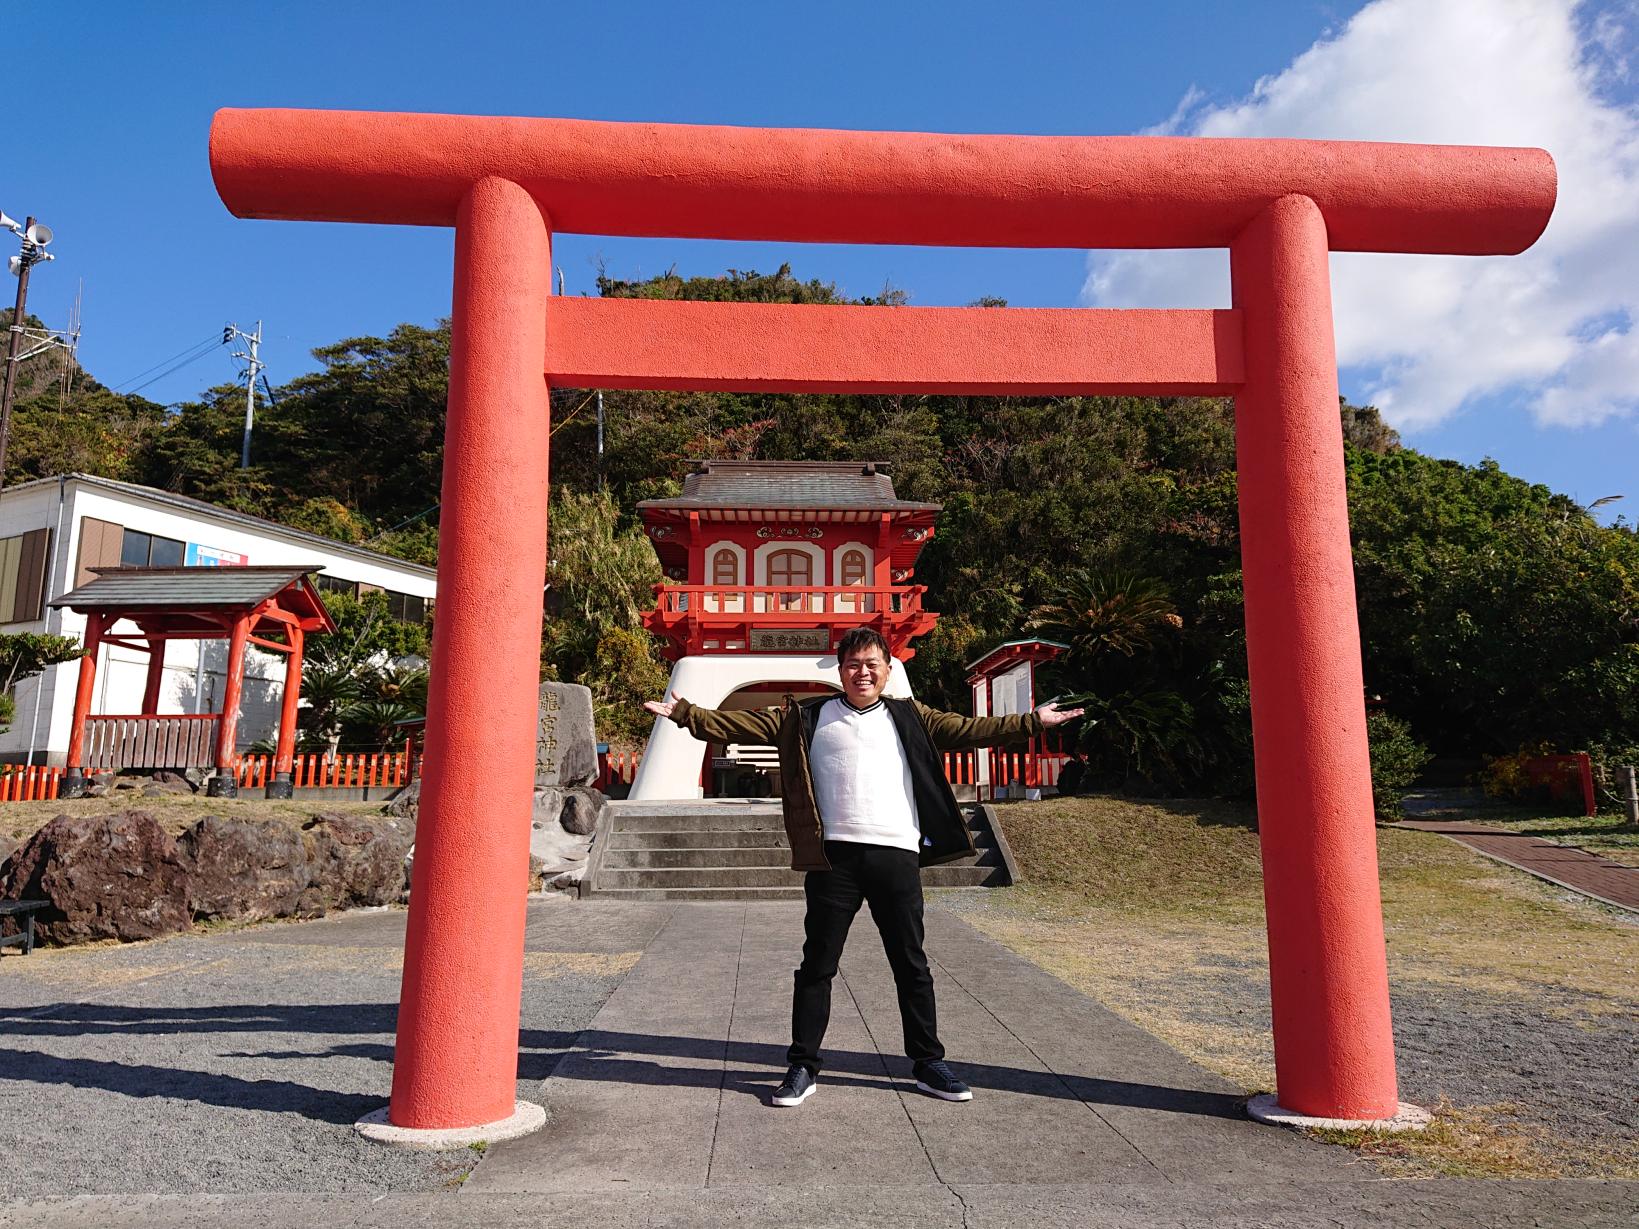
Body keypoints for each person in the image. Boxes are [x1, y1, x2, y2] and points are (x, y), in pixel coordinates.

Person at [643, 626, 1083, 1108]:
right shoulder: (806, 716)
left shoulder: (910, 716)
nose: (863, 672)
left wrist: (1033, 722)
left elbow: (972, 729)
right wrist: (684, 714)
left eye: (873, 664)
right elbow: (737, 725)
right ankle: (803, 1065)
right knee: (817, 966)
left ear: (887, 671)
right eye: (853, 664)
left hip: (896, 854)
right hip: (835, 859)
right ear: (840, 670)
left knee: (911, 964)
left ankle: (928, 1062)